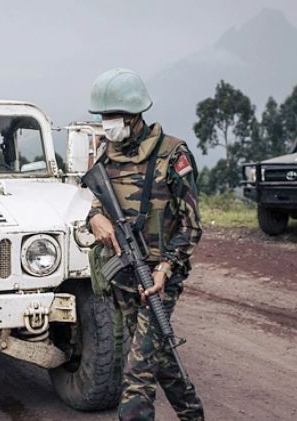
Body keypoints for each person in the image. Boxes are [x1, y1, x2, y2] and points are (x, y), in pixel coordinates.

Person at [86, 68, 205, 421]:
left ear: (135, 114)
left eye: (113, 116)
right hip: (121, 275)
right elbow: (96, 205)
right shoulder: (105, 156)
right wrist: (94, 218)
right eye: (103, 116)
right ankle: (193, 415)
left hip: (158, 279)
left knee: (137, 376)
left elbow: (191, 225)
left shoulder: (172, 155)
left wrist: (166, 268)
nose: (107, 123)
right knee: (156, 356)